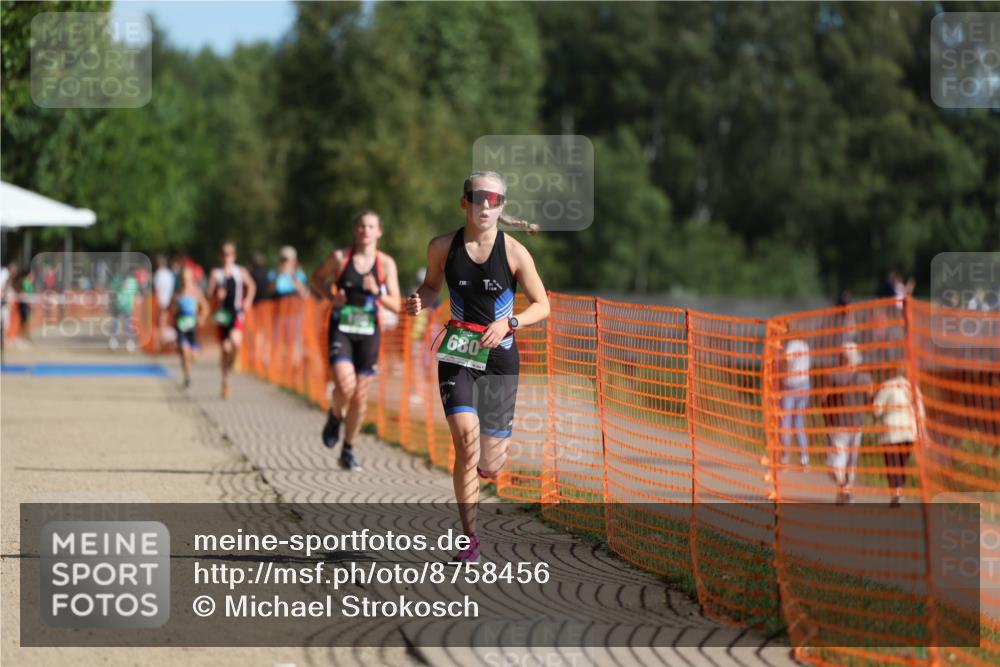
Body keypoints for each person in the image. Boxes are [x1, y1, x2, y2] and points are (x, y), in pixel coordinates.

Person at [407, 171, 550, 562]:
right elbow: (432, 285)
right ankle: (469, 536)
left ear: (501, 206)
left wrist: (510, 322)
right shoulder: (441, 246)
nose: (485, 204)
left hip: (501, 356)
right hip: (459, 352)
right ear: (464, 202)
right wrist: (420, 299)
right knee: (465, 444)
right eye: (478, 197)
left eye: (494, 199)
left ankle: (486, 470)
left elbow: (543, 304)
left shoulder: (516, 252)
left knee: (491, 460)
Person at [310, 211, 402, 470]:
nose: (365, 230)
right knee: (345, 384)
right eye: (361, 226)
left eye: (371, 226)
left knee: (360, 397)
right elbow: (316, 278)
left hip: (370, 332)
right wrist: (331, 296)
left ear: (379, 232)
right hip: (342, 328)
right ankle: (335, 415)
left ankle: (348, 449)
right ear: (355, 230)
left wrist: (376, 293)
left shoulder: (386, 264)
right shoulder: (340, 258)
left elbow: (396, 305)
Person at [822, 341, 874, 505]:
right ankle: (846, 489)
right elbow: (870, 401)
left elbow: (823, 399)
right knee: (850, 462)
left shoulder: (832, 375)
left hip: (838, 425)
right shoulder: (866, 378)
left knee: (835, 464)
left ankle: (843, 488)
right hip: (856, 425)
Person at [206, 241, 256, 399]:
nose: (226, 257)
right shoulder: (216, 273)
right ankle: (225, 381)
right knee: (225, 349)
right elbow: (208, 293)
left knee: (236, 342)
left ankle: (234, 362)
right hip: (222, 316)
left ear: (234, 256)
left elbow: (252, 286)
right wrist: (216, 294)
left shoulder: (240, 271)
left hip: (236, 313)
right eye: (223, 254)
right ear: (220, 256)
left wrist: (248, 300)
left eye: (229, 254)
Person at [872, 367, 924, 508]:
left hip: (892, 431)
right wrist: (922, 432)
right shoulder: (912, 387)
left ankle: (897, 493)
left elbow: (876, 409)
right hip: (909, 431)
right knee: (902, 463)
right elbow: (920, 411)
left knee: (892, 464)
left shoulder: (887, 386)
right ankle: (900, 491)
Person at [172, 266, 210, 389]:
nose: (185, 281)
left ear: (192, 279)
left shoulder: (196, 292)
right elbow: (172, 309)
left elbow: (205, 307)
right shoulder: (177, 294)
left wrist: (201, 318)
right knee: (184, 351)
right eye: (183, 279)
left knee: (192, 355)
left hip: (192, 327)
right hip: (181, 327)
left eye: (187, 278)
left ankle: (192, 358)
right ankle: (187, 376)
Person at [780, 339, 811, 466]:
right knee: (798, 423)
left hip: (790, 386)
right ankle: (804, 457)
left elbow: (787, 360)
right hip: (804, 385)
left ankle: (785, 456)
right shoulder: (805, 345)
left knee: (786, 422)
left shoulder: (791, 344)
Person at [153, 255, 176, 349]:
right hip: (169, 300)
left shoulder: (159, 274)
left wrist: (158, 302)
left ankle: (161, 344)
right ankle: (164, 343)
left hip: (162, 301)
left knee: (160, 323)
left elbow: (157, 289)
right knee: (165, 322)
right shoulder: (170, 274)